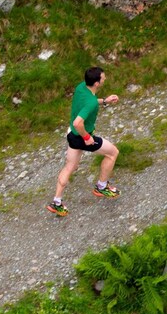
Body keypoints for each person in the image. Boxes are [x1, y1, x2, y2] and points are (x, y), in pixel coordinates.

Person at [47, 66, 121, 217]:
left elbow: (89, 102)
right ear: (96, 83)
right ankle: (101, 187)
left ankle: (57, 202)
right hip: (82, 137)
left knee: (70, 167)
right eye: (103, 77)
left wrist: (105, 101)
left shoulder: (81, 87)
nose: (105, 78)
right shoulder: (91, 102)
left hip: (72, 136)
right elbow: (78, 122)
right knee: (113, 153)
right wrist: (87, 138)